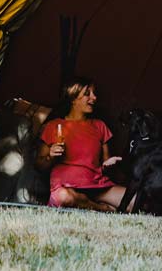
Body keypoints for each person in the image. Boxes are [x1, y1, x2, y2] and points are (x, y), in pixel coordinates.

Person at [36, 77, 126, 211]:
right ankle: (102, 209)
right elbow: (39, 165)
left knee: (136, 201)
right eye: (87, 93)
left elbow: (106, 165)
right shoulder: (54, 126)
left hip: (98, 187)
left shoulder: (100, 126)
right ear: (73, 99)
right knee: (64, 197)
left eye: (94, 93)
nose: (94, 98)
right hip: (67, 187)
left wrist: (108, 165)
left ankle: (87, 203)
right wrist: (51, 156)